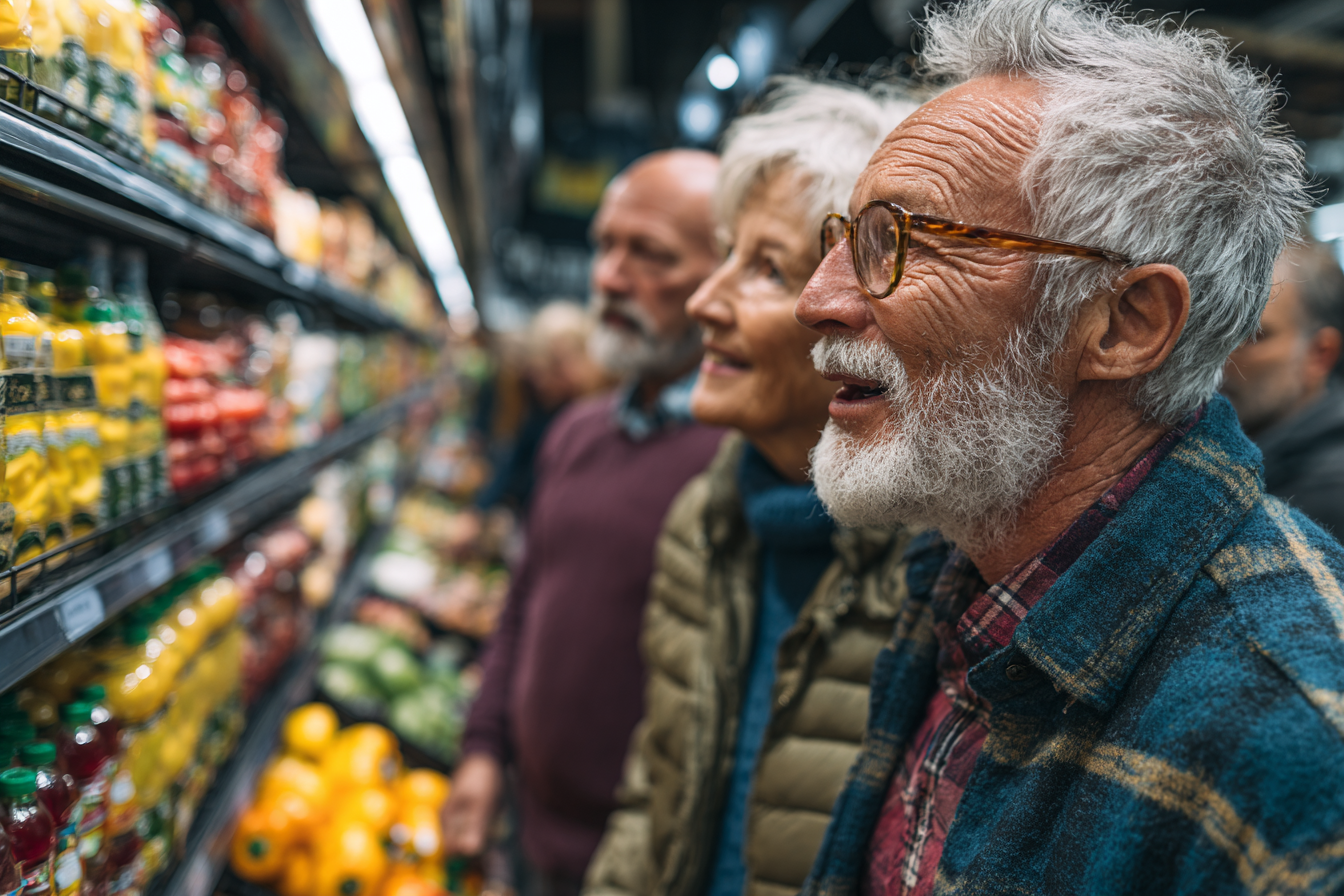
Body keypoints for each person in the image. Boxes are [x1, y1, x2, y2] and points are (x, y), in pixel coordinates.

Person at [791, 1, 1344, 894]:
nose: (817, 300)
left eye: (901, 242)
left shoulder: (1296, 744)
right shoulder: (958, 571)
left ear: (1125, 325)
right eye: (847, 239)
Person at [581, 78, 920, 896]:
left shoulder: (932, 574)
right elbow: (657, 791)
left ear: (866, 313)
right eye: (726, 251)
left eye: (765, 268)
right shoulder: (708, 516)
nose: (705, 300)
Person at [446, 150, 727, 896]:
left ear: (726, 278)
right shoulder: (576, 432)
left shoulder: (739, 466)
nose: (607, 276)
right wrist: (482, 748)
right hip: (530, 825)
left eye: (651, 255)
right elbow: (524, 600)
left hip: (645, 865)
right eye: (605, 245)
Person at [1221, 240, 1344, 534]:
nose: (1218, 358)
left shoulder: (1325, 494)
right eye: (1212, 332)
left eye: (1250, 336)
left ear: (1319, 354)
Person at [475, 301, 612, 513]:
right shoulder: (547, 411)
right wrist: (482, 510)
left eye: (557, 364)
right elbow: (518, 464)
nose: (543, 379)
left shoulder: (609, 412)